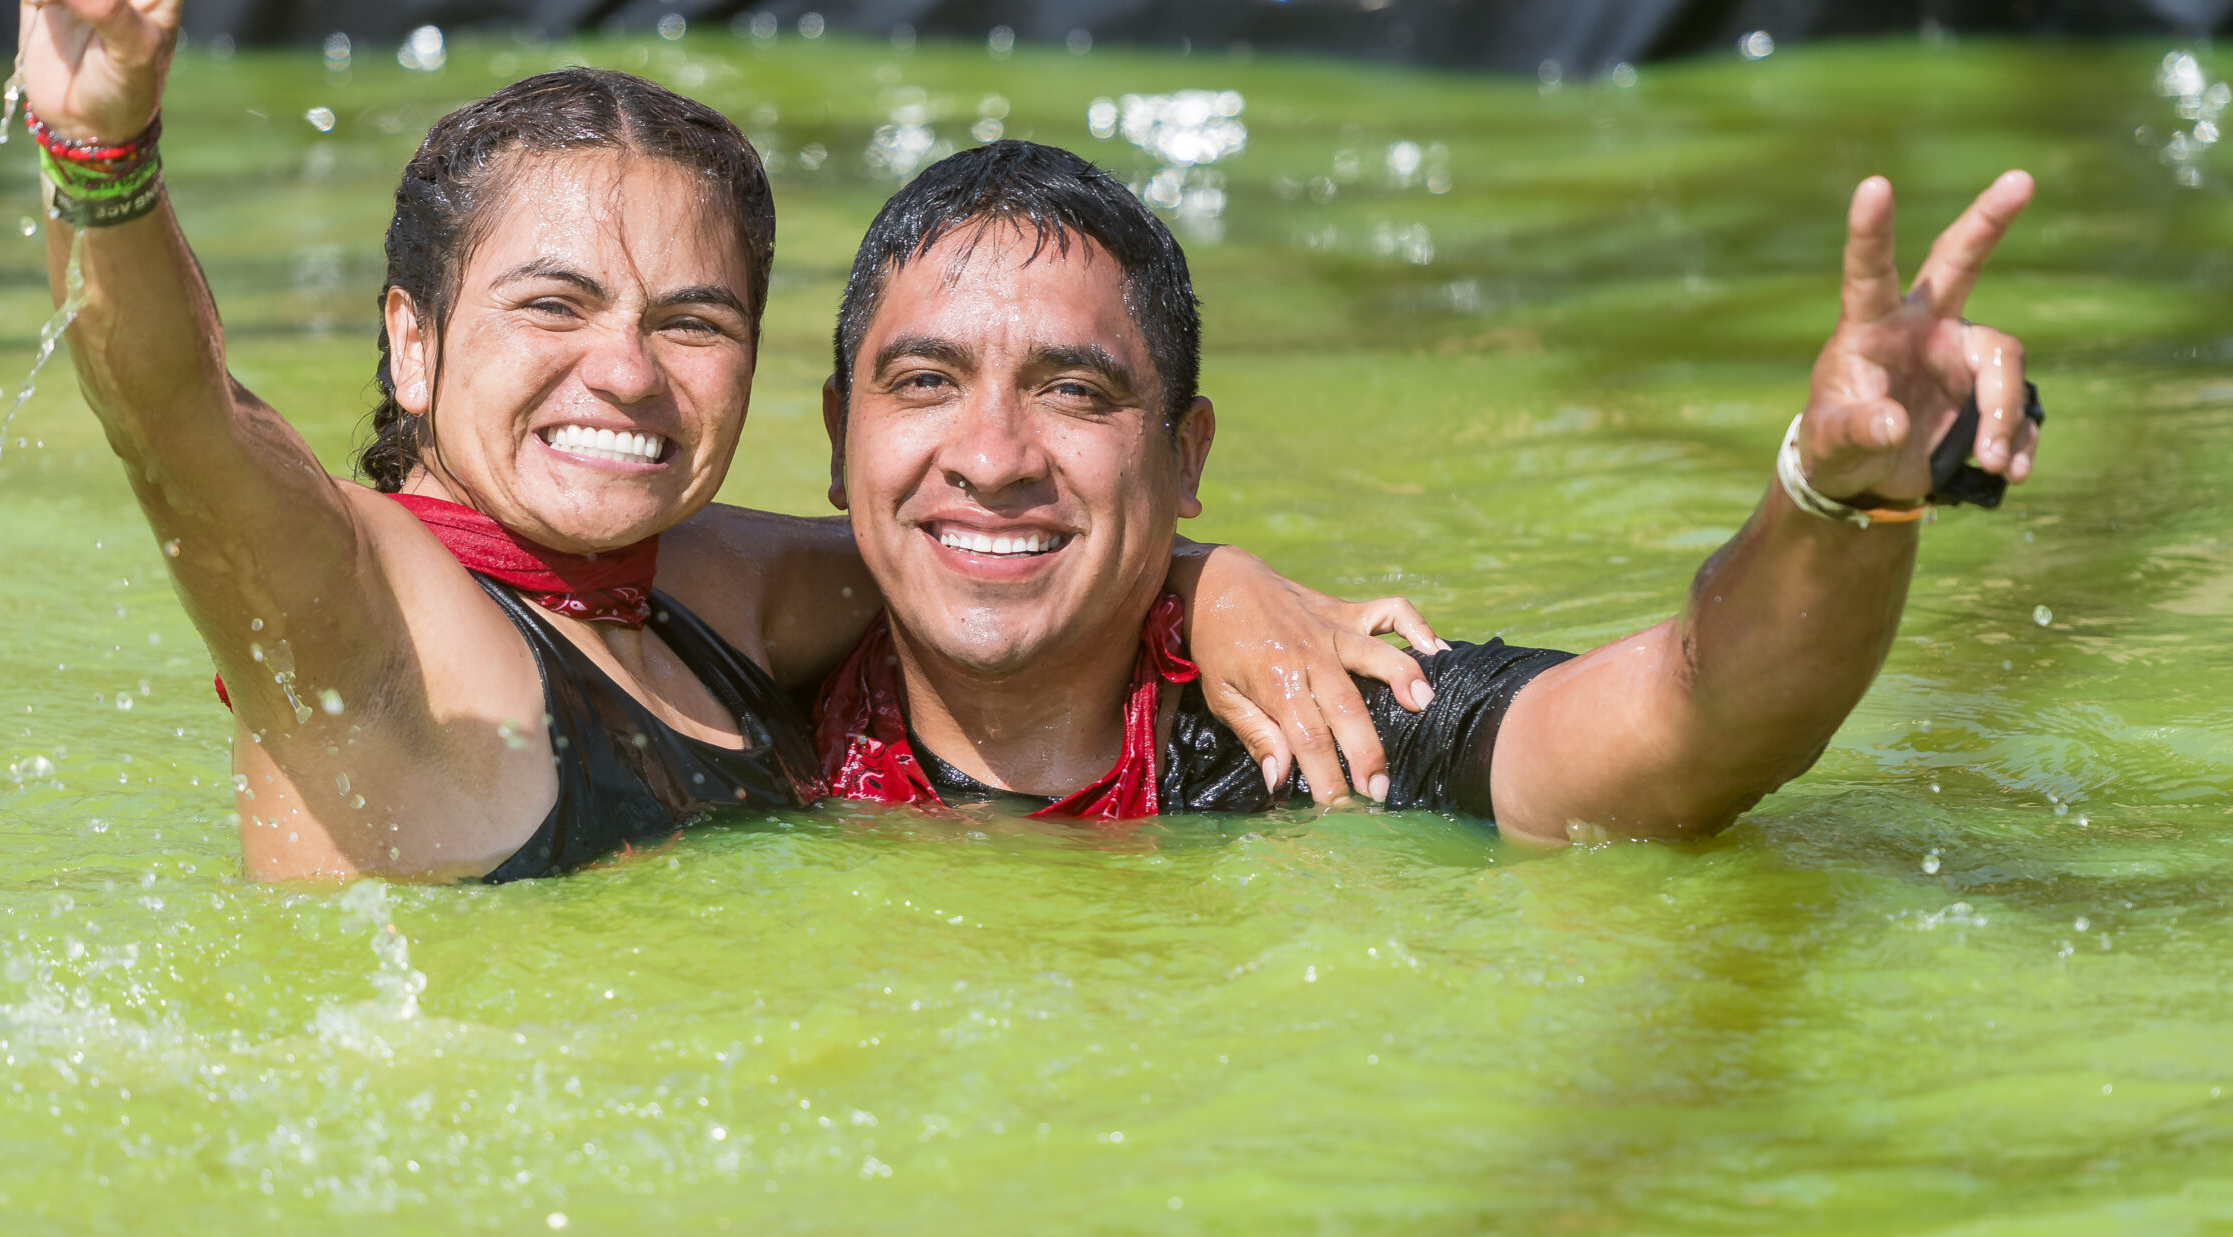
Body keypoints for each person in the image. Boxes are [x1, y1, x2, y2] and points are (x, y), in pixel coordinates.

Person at [8, 0, 1431, 881]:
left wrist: (1221, 580)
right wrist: (103, 156)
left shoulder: (704, 592)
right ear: (413, 341)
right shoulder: (351, 601)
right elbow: (175, 418)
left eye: (692, 321)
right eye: (552, 304)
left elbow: (990, 553)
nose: (625, 370)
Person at [813, 141, 2042, 841]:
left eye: (1074, 393)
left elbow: (1700, 725)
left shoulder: (1331, 732)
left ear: (1186, 460)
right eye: (924, 382)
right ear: (834, 437)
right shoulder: (712, 707)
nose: (992, 453)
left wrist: (1834, 498)